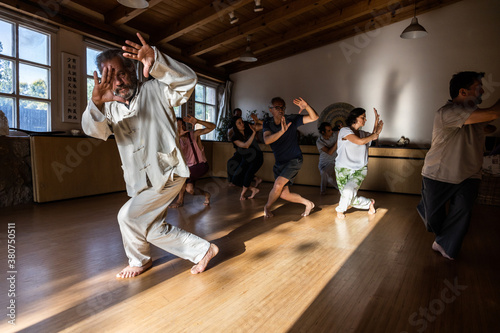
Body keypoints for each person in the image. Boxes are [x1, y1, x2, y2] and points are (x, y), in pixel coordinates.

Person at [81, 32, 218, 278]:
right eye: (110, 77)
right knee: (151, 227)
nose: (118, 82)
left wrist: (157, 61)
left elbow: (187, 81)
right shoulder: (109, 107)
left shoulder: (157, 89)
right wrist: (97, 104)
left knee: (127, 215)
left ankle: (138, 260)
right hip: (138, 180)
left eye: (121, 73)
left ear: (132, 71)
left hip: (168, 172)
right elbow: (95, 131)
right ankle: (201, 250)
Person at [417, 71, 500, 260]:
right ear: (463, 92)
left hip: (469, 175)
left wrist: (485, 127)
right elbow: (494, 114)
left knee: (462, 213)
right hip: (438, 174)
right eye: (478, 87)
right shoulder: (448, 112)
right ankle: (427, 210)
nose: (482, 91)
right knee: (433, 220)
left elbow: (489, 124)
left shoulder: (473, 116)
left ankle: (445, 244)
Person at [262, 97, 318, 218]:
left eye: (282, 107)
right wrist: (281, 132)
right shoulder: (267, 122)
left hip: (294, 159)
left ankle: (267, 207)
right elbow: (267, 140)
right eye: (277, 107)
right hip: (280, 162)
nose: (281, 110)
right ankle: (308, 204)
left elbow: (314, 117)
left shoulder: (291, 119)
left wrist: (307, 106)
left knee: (277, 185)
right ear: (271, 110)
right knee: (284, 194)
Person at [335, 107, 383, 219]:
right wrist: (375, 134)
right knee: (348, 196)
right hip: (342, 169)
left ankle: (340, 210)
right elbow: (360, 142)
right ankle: (369, 203)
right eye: (363, 117)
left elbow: (371, 138)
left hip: (359, 170)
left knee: (347, 192)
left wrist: (376, 124)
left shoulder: (364, 134)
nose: (365, 120)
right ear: (354, 118)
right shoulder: (344, 131)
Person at [170, 115, 215, 208]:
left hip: (200, 166)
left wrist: (198, 121)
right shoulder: (174, 141)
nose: (181, 128)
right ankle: (206, 194)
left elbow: (212, 127)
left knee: (182, 175)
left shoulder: (194, 135)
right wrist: (177, 138)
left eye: (183, 125)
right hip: (189, 169)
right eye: (178, 126)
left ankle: (180, 200)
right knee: (190, 190)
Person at [230, 116, 264, 200]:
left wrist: (258, 121)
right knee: (235, 179)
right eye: (239, 123)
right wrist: (253, 133)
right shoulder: (234, 138)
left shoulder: (248, 129)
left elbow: (264, 126)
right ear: (235, 126)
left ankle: (242, 195)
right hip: (246, 159)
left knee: (248, 175)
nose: (242, 124)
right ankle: (253, 189)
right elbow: (246, 145)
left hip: (257, 158)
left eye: (242, 122)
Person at [316, 122, 340, 195]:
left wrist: (341, 129)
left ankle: (323, 191)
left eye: (331, 130)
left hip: (332, 162)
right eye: (329, 131)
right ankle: (324, 191)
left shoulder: (334, 134)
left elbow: (343, 132)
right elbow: (330, 152)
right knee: (325, 176)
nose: (331, 131)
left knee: (326, 175)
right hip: (323, 163)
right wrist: (338, 141)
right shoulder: (319, 141)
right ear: (323, 132)